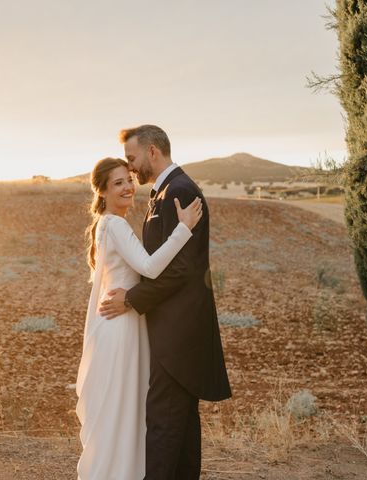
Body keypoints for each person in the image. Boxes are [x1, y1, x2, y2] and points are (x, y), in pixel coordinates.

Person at [100, 125, 231, 479]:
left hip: (177, 334)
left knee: (162, 427)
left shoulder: (181, 190)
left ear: (152, 152)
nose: (131, 168)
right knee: (181, 430)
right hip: (171, 330)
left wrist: (132, 299)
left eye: (132, 158)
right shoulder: (164, 193)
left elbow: (181, 272)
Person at [76, 157, 203, 480]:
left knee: (121, 409)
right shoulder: (115, 224)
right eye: (118, 183)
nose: (128, 187)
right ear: (102, 191)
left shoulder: (106, 223)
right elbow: (148, 268)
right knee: (122, 408)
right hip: (121, 327)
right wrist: (183, 229)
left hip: (121, 322)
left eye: (129, 179)